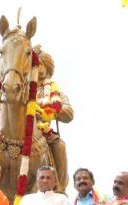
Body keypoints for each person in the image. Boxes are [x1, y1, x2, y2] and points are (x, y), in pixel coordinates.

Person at [34, 45, 74, 193]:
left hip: (42, 134)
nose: (35, 69)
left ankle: (60, 189)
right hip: (18, 131)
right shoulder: (21, 88)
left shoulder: (55, 92)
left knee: (60, 146)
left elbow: (69, 113)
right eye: (32, 65)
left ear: (47, 68)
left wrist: (53, 110)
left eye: (39, 65)